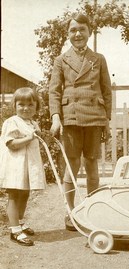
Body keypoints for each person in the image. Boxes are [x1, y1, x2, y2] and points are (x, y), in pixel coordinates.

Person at [49, 13, 112, 231]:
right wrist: (56, 117)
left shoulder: (99, 59)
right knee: (72, 164)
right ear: (68, 34)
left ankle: (93, 209)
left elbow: (106, 90)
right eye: (73, 30)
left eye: (81, 30)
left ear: (89, 32)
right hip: (71, 117)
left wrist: (107, 120)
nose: (77, 34)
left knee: (92, 164)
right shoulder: (61, 60)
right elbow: (54, 91)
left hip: (94, 116)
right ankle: (70, 212)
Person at [0, 87, 46, 246]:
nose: (26, 108)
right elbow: (11, 144)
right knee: (14, 195)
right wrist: (29, 138)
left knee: (25, 193)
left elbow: (35, 138)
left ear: (36, 107)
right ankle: (14, 230)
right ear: (15, 106)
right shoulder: (12, 122)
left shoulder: (33, 123)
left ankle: (19, 221)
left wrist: (39, 136)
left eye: (30, 105)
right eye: (21, 104)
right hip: (15, 165)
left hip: (28, 165)